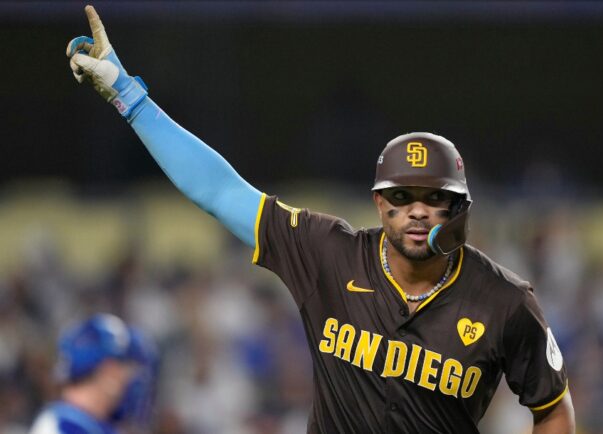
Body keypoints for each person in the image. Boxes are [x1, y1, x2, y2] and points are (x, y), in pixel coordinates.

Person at [65, 5, 575, 433]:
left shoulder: (505, 301)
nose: (417, 210)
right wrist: (130, 98)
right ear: (380, 203)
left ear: (459, 208)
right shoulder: (328, 252)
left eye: (434, 197)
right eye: (402, 194)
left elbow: (552, 408)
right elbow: (219, 191)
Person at [28, 313, 156, 434]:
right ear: (108, 371)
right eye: (126, 370)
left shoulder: (93, 425)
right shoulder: (61, 426)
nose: (129, 379)